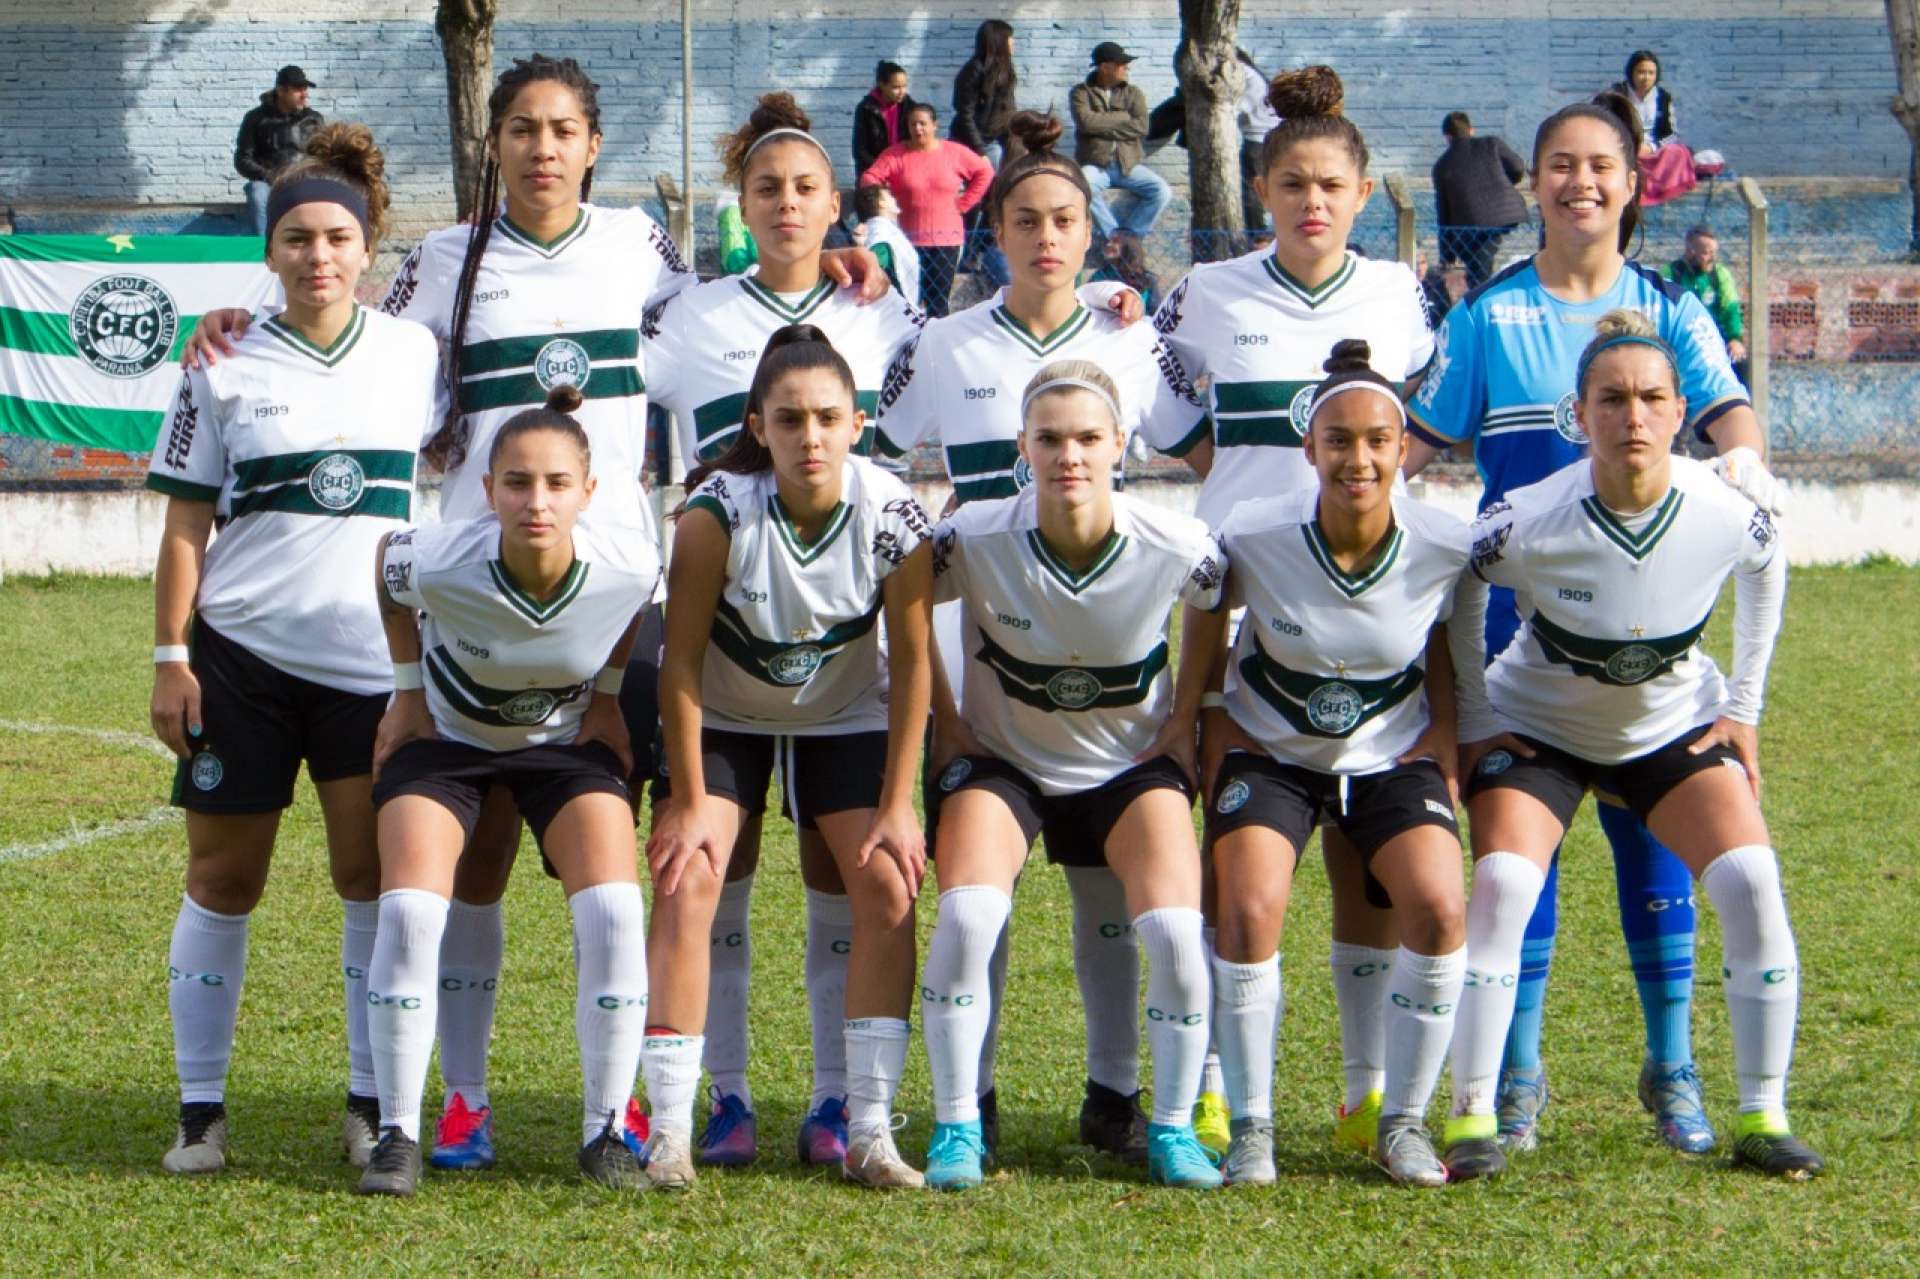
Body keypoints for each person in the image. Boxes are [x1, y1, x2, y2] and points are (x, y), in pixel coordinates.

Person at [182, 56, 887, 1174]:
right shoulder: (443, 263)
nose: (542, 148)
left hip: (611, 610)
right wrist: (243, 317)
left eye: (562, 129)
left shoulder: (642, 257)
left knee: (640, 861)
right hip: (472, 604)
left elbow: (738, 336)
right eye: (521, 128)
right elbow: (351, 341)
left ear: (593, 145)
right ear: (494, 144)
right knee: (474, 860)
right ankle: (462, 1103)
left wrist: (820, 261)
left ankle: (663, 1100)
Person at [1405, 94, 1784, 1161]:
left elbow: (1726, 413)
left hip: (1652, 640)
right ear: (1532, 186)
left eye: (1600, 166)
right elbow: (1420, 443)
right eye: (1560, 165)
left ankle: (1672, 1067)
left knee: (1659, 847)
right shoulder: (1488, 318)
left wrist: (1746, 459)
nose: (1580, 182)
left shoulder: (1669, 307)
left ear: (1630, 183)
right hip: (1520, 646)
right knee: (1520, 864)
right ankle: (1517, 1075)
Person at [876, 110, 1203, 1168]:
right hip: (990, 665)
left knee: (1114, 909)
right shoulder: (941, 342)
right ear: (993, 232)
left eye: (1065, 218)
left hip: (1108, 669)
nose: (1047, 237)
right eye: (1026, 219)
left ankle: (1116, 1096)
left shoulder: (1128, 335)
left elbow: (1210, 456)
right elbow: (873, 467)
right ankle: (971, 1099)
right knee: (985, 902)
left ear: (1093, 230)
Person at [1443, 309, 1821, 1182]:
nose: (1634, 415)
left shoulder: (1725, 507)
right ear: (1580, 415)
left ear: (1680, 407)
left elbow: (1770, 564)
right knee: (1502, 883)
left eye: (1652, 397)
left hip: (1670, 726)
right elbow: (1463, 585)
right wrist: (1471, 717)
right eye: (1611, 399)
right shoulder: (1529, 516)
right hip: (1538, 727)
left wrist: (1746, 704)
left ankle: (1764, 1111)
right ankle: (1474, 1116)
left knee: (1752, 881)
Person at [1145, 65, 1439, 1160]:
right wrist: (1238, 488)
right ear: (1261, 189)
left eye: (1331, 183)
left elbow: (1421, 424)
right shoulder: (1208, 292)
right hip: (1241, 606)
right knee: (1242, 862)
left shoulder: (1401, 296)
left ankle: (1365, 1091)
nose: (1311, 201)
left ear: (1363, 191)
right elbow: (1165, 401)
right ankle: (1217, 1083)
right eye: (1290, 183)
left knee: (1366, 860)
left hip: (1365, 608)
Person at [146, 123, 437, 1176]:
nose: (319, 256)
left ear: (368, 250)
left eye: (338, 238)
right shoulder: (221, 361)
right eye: (299, 239)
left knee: (367, 877)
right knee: (224, 878)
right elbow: (186, 526)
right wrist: (170, 657)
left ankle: (369, 1102)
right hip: (241, 665)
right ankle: (199, 1112)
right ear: (270, 252)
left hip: (373, 668)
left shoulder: (414, 352)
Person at [641, 95, 926, 1169]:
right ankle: (704, 1106)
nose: (789, 203)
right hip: (729, 665)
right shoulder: (690, 313)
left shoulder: (886, 311)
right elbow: (595, 374)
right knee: (702, 870)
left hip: (843, 678)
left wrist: (1119, 304)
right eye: (768, 187)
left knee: (869, 879)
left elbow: (978, 368)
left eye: (808, 186)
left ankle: (852, 1113)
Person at [919, 359, 1228, 1192]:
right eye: (1049, 439)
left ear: (1120, 445)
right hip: (1004, 760)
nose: (1070, 456)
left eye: (1089, 437)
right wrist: (946, 719)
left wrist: (1180, 720)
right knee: (971, 913)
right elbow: (908, 595)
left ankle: (1158, 1124)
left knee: (1166, 930)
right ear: (1022, 446)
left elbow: (1213, 605)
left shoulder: (1175, 542)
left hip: (1126, 767)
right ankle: (958, 1120)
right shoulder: (974, 534)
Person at [359, 385, 662, 1195]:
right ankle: (403, 1132)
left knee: (613, 907)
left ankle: (605, 1129)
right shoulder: (440, 556)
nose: (537, 501)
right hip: (449, 744)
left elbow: (634, 608)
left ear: (588, 493)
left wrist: (605, 695)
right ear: (487, 491)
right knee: (412, 910)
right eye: (518, 483)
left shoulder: (627, 561)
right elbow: (386, 565)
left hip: (560, 746)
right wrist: (406, 690)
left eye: (558, 483)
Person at [1201, 341, 1474, 1189]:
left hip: (1390, 755)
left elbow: (1447, 647)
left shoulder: (1445, 543)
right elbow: (1205, 633)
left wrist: (1448, 745)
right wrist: (1205, 733)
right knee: (1248, 908)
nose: (1359, 459)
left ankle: (1401, 1122)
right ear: (1310, 447)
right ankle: (1252, 1126)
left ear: (1403, 449)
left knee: (1437, 906)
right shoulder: (1253, 533)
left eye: (1378, 441)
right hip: (1273, 750)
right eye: (1340, 440)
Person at [860, 103, 995, 318]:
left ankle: (936, 344)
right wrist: (883, 201)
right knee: (905, 302)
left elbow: (985, 172)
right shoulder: (896, 154)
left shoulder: (954, 152)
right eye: (913, 124)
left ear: (935, 125)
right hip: (907, 240)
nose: (917, 129)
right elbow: (869, 178)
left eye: (923, 124)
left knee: (938, 303)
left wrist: (965, 203)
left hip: (946, 240)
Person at [1070, 42, 1171, 247]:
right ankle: (1114, 237)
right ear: (1105, 67)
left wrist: (1102, 123)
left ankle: (1130, 238)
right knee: (1082, 188)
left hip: (1128, 164)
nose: (1127, 68)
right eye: (1122, 64)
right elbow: (1086, 123)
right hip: (1097, 164)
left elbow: (1142, 127)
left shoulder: (1133, 93)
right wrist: (1124, 117)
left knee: (1161, 191)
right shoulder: (1081, 93)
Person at [951, 20, 1018, 287]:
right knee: (974, 200)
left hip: (995, 142)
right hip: (972, 144)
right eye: (1010, 39)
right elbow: (964, 113)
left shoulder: (1005, 71)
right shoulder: (973, 71)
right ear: (998, 41)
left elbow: (1006, 109)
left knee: (997, 200)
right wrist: (979, 150)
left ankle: (978, 251)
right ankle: (964, 254)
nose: (1014, 44)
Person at [1432, 111, 1528, 291]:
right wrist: (1504, 183)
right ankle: (1481, 293)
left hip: (1469, 226)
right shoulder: (1491, 144)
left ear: (1447, 137)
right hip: (1503, 216)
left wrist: (1447, 257)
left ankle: (1480, 296)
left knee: (1478, 268)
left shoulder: (1442, 165)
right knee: (1480, 264)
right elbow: (1517, 167)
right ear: (1471, 130)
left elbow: (1443, 214)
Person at [234, 66, 324, 237]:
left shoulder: (314, 119)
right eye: (298, 90)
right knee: (257, 193)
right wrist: (270, 176)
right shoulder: (255, 118)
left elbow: (324, 159)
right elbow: (242, 159)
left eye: (305, 89)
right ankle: (262, 251)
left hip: (303, 182)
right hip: (267, 182)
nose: (305, 94)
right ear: (281, 91)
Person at [1664, 226, 1748, 382]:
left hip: (1715, 337)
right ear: (1690, 252)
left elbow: (1730, 310)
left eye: (1714, 252)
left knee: (1740, 363)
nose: (1712, 257)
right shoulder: (1671, 273)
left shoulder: (1720, 274)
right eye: (1706, 253)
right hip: (1681, 338)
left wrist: (1735, 339)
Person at [1612, 52, 1695, 206]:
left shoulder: (1663, 97)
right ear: (1631, 73)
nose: (1646, 78)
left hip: (1654, 151)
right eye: (1641, 72)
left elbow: (1672, 133)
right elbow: (1608, 128)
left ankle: (1659, 189)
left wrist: (1651, 147)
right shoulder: (1617, 95)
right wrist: (1631, 146)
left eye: (1651, 73)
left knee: (1679, 152)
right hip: (1626, 150)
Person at [854, 182, 921, 308]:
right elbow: (875, 260)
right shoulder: (882, 234)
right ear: (881, 203)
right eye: (890, 196)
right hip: (891, 306)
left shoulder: (883, 230)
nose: (894, 199)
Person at [1235, 48, 1278, 236]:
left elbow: (1235, 106)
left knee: (1252, 187)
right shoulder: (1255, 74)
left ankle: (1256, 232)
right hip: (1268, 138)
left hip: (1256, 140)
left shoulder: (1242, 73)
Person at [853, 60, 918, 177]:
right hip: (874, 172)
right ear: (881, 85)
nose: (902, 91)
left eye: (904, 86)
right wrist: (881, 170)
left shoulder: (910, 107)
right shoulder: (866, 109)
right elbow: (860, 150)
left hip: (903, 171)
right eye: (896, 87)